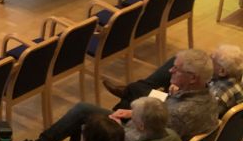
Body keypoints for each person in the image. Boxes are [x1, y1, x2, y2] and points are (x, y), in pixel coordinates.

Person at [19, 49, 219, 141]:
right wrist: (132, 113)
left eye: (176, 69)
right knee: (84, 110)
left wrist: (115, 127)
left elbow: (148, 140)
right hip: (142, 129)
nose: (170, 71)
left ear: (193, 78)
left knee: (90, 123)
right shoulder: (204, 95)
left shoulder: (182, 113)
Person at [104, 43, 243, 118]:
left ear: (222, 71)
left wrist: (180, 91)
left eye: (212, 59)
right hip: (182, 100)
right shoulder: (230, 79)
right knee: (179, 61)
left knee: (136, 90)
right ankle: (127, 96)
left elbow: (186, 109)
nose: (208, 59)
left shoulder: (217, 95)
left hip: (173, 106)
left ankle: (125, 97)